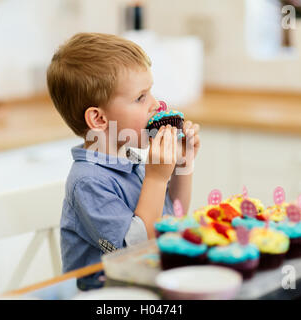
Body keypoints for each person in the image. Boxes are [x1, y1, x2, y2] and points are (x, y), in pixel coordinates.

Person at [46, 32, 200, 289]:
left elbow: (173, 216)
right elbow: (135, 251)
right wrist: (157, 177)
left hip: (147, 284)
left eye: (150, 92)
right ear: (99, 120)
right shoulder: (88, 182)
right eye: (140, 97)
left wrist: (183, 163)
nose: (156, 104)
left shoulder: (130, 159)